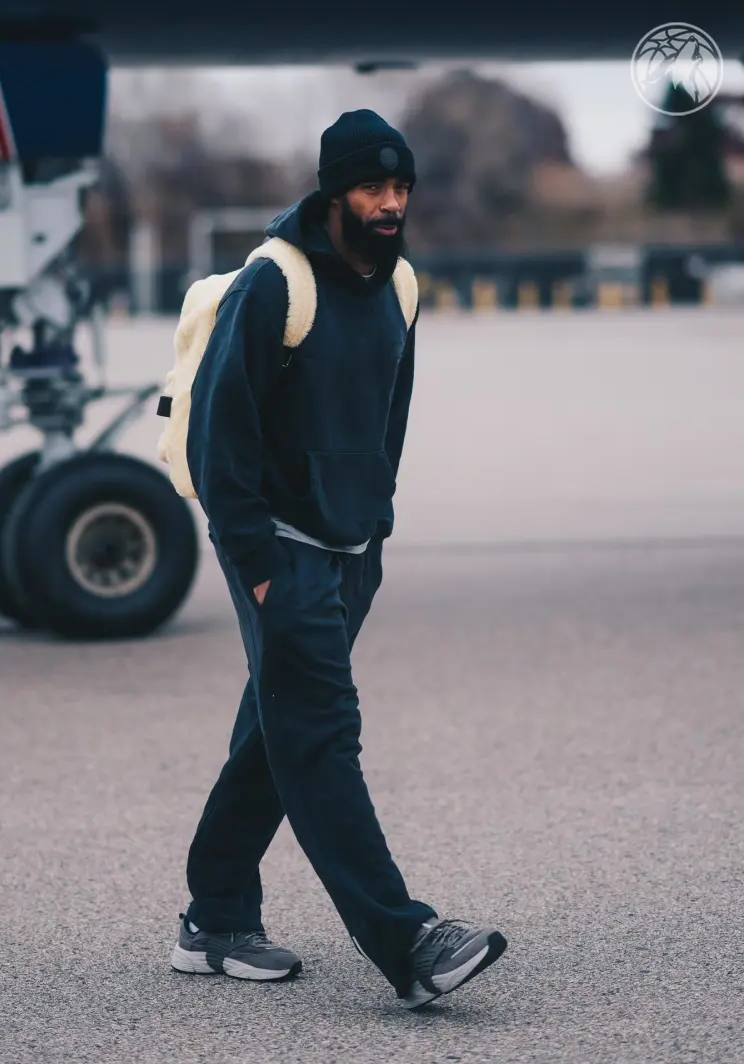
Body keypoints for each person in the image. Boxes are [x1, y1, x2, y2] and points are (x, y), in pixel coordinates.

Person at [172, 109, 507, 1009]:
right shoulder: (274, 286)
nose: (389, 202)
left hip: (351, 551)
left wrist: (375, 533)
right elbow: (218, 440)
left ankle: (215, 915)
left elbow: (387, 418)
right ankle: (409, 940)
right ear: (333, 190)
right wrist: (259, 564)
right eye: (371, 187)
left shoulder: (400, 285)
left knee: (276, 731)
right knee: (321, 735)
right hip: (279, 549)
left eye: (399, 187)